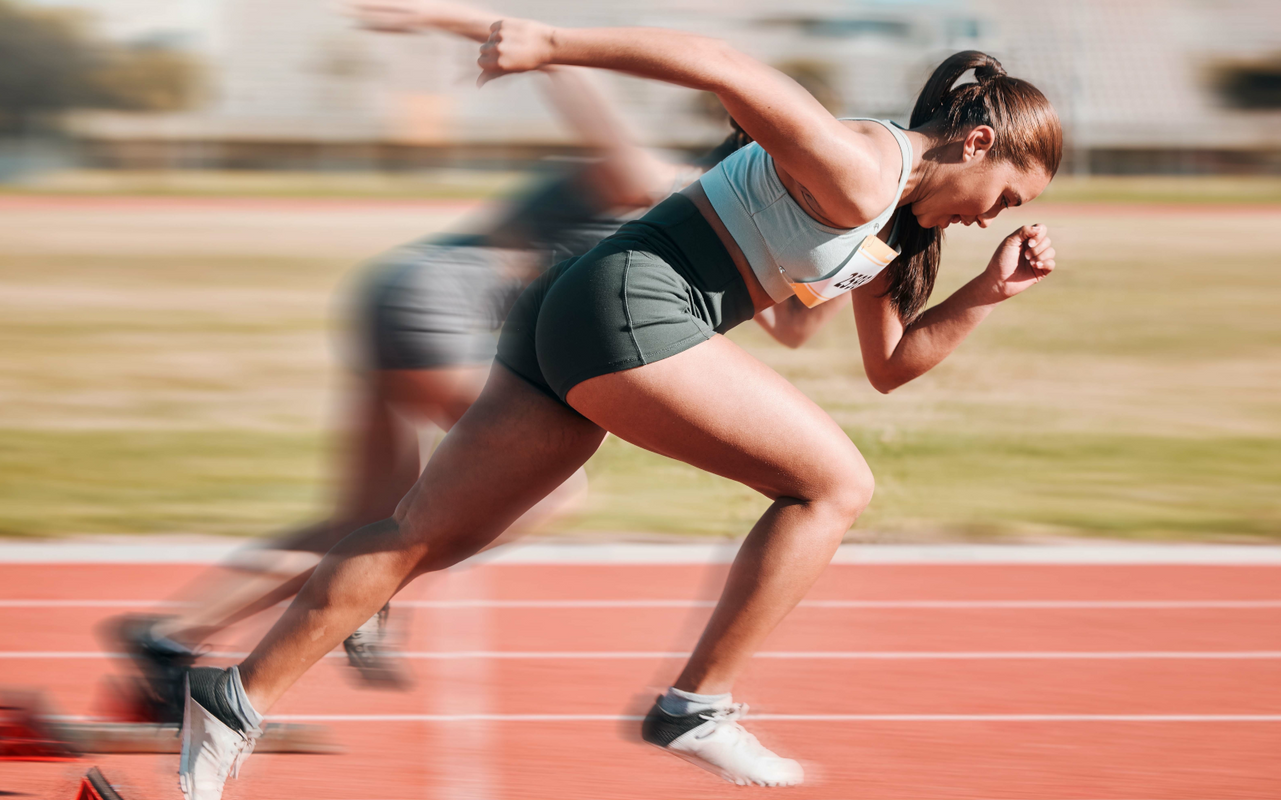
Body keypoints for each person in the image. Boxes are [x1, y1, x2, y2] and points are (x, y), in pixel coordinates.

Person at [175, 15, 1061, 798]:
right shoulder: (863, 165)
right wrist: (551, 43)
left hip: (577, 307)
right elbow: (722, 64)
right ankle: (695, 706)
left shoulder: (892, 223)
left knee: (421, 537)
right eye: (1008, 197)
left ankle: (234, 698)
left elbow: (888, 364)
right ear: (978, 142)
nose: (994, 218)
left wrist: (988, 292)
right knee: (835, 485)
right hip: (633, 300)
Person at [110, 1, 843, 722]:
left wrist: (869, 245)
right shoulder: (665, 184)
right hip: (438, 308)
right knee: (544, 491)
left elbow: (794, 328)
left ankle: (168, 639)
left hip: (401, 295)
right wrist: (474, 23)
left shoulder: (733, 241)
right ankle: (365, 597)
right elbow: (582, 95)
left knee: (364, 517)